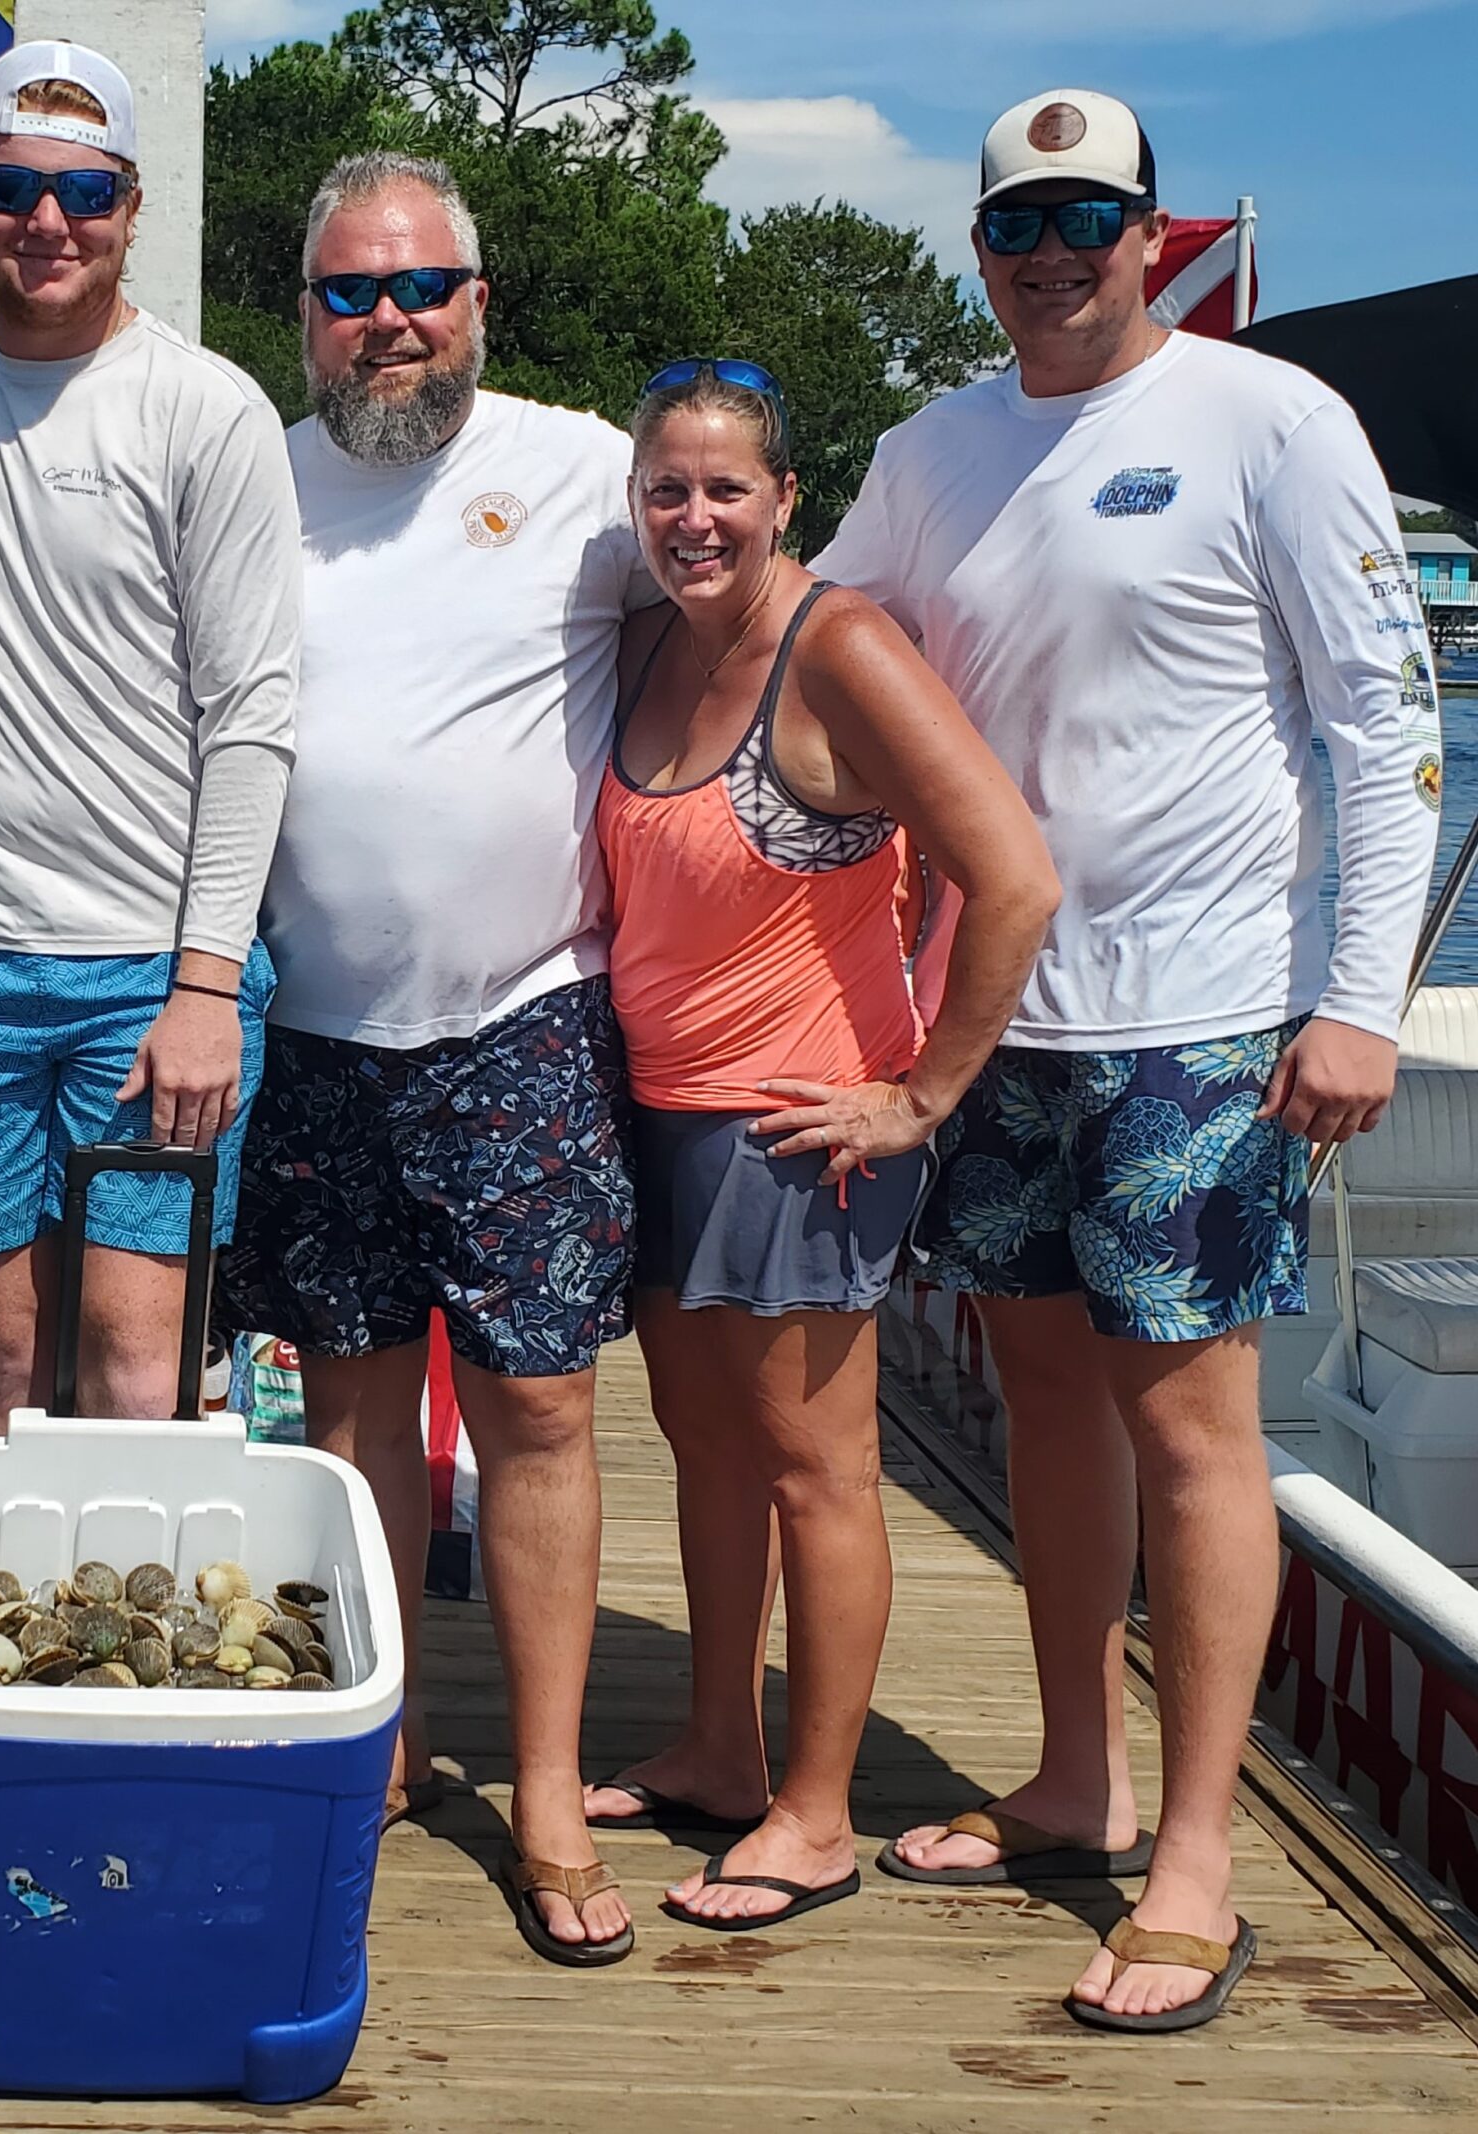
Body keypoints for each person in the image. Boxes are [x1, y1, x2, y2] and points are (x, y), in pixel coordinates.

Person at [816, 89, 1441, 2030]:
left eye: (1088, 217)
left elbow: (1386, 720)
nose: (1052, 254)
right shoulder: (926, 451)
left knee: (1193, 1427)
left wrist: (1358, 998)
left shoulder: (1271, 420)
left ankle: (1196, 1853)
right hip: (994, 1015)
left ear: (1151, 236)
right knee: (1042, 1403)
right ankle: (1075, 1774)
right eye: (1017, 223)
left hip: (1206, 1013)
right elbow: (807, 639)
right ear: (977, 249)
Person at [214, 153, 643, 1966]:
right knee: (350, 1407)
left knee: (540, 1406)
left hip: (528, 1021)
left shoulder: (589, 471)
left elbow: (754, 636)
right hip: (314, 1030)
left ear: (478, 302)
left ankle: (545, 1793)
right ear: (303, 314)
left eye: (419, 287)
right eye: (348, 292)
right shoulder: (248, 481)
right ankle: (375, 1731)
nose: (387, 321)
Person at [583, 359, 1057, 1936]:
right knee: (707, 1447)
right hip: (661, 1115)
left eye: (727, 487)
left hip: (799, 1130)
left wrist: (921, 1093)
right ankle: (722, 1747)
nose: (695, 516)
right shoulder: (655, 638)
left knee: (817, 1468)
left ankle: (818, 1809)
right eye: (667, 488)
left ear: (787, 498)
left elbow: (1013, 874)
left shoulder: (836, 643)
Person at [0, 39, 300, 1430]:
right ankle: (9, 1579)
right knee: (4, 1356)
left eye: (85, 192)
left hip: (148, 971)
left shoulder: (207, 406)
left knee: (136, 1357)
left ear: (132, 209)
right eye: (13, 188)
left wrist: (205, 986)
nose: (48, 220)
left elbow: (253, 715)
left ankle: (125, 1588)